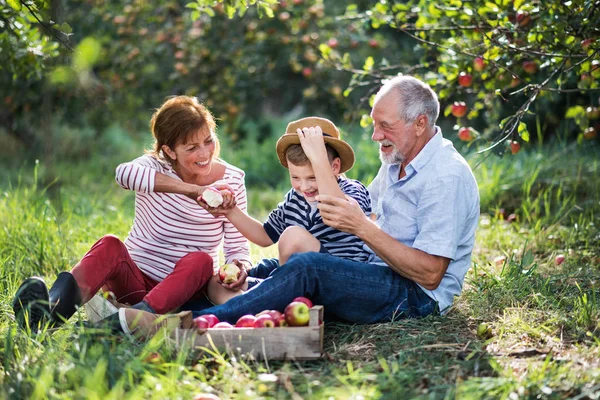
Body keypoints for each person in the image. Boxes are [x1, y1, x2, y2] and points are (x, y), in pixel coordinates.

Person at [115, 75, 481, 335]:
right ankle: (155, 310)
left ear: (419, 124)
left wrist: (361, 227)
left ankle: (192, 326)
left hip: (414, 294)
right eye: (374, 125)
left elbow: (431, 273)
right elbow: (348, 224)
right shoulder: (397, 162)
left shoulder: (444, 177)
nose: (375, 136)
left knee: (308, 268)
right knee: (255, 272)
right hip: (374, 269)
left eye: (384, 126)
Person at [12, 95, 248, 332]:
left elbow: (237, 247)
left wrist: (239, 267)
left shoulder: (232, 180)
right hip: (135, 283)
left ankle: (130, 323)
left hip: (183, 292)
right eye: (192, 147)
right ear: (170, 151)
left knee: (202, 260)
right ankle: (48, 312)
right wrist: (192, 190)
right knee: (110, 245)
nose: (205, 153)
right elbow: (123, 174)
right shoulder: (154, 166)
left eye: (208, 141)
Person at [201, 116, 372, 305]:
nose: (304, 186)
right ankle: (252, 309)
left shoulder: (352, 191)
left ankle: (272, 302)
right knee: (217, 283)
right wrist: (230, 211)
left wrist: (319, 161)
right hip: (296, 280)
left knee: (293, 237)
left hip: (340, 281)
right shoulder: (295, 198)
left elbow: (336, 211)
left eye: (312, 177)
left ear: (334, 167)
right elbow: (265, 236)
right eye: (295, 177)